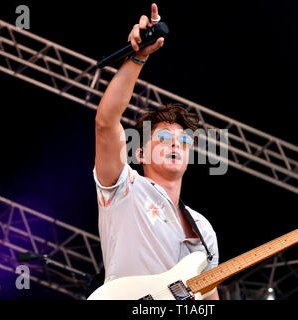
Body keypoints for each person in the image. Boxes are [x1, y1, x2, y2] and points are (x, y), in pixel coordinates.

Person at [93, 3, 219, 300]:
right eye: (163, 138)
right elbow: (105, 122)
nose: (176, 144)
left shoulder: (203, 229)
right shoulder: (125, 188)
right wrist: (137, 58)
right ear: (139, 154)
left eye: (184, 141)